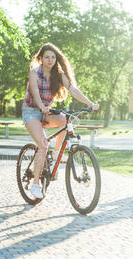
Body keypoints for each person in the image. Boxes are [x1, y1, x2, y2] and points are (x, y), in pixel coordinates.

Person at [21, 43, 100, 199]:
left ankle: (57, 154)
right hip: (31, 112)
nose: (50, 60)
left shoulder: (59, 74)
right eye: (47, 57)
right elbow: (35, 93)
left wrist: (89, 103)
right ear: (41, 59)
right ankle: (36, 185)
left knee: (64, 120)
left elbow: (73, 90)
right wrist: (42, 106)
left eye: (53, 57)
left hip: (47, 111)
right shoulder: (34, 72)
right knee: (43, 145)